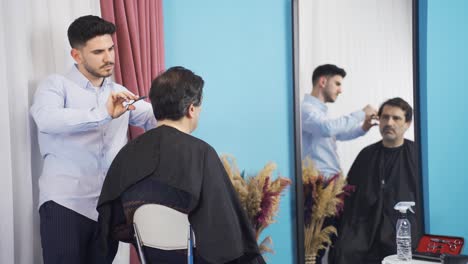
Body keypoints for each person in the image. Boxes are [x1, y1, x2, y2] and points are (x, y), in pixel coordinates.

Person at [97, 66, 266, 264]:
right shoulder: (202, 154)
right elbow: (227, 227)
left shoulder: (126, 154)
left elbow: (112, 221)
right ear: (191, 109)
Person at [30, 15, 156, 264]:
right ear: (76, 55)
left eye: (110, 49)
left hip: (106, 209)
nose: (109, 57)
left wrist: (174, 105)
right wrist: (102, 115)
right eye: (98, 52)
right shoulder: (56, 86)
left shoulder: (119, 93)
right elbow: (46, 119)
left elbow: (155, 119)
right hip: (65, 205)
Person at [329, 97, 423, 264]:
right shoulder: (366, 155)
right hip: (364, 232)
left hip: (402, 233)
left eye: (396, 118)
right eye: (385, 117)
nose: (389, 123)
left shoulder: (417, 155)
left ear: (407, 123)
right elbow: (348, 199)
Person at [301, 64, 377, 177]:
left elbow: (339, 134)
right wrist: (362, 113)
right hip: (318, 181)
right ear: (323, 82)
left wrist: (363, 127)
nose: (340, 90)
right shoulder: (306, 109)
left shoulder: (321, 113)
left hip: (330, 180)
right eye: (337, 84)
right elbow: (327, 129)